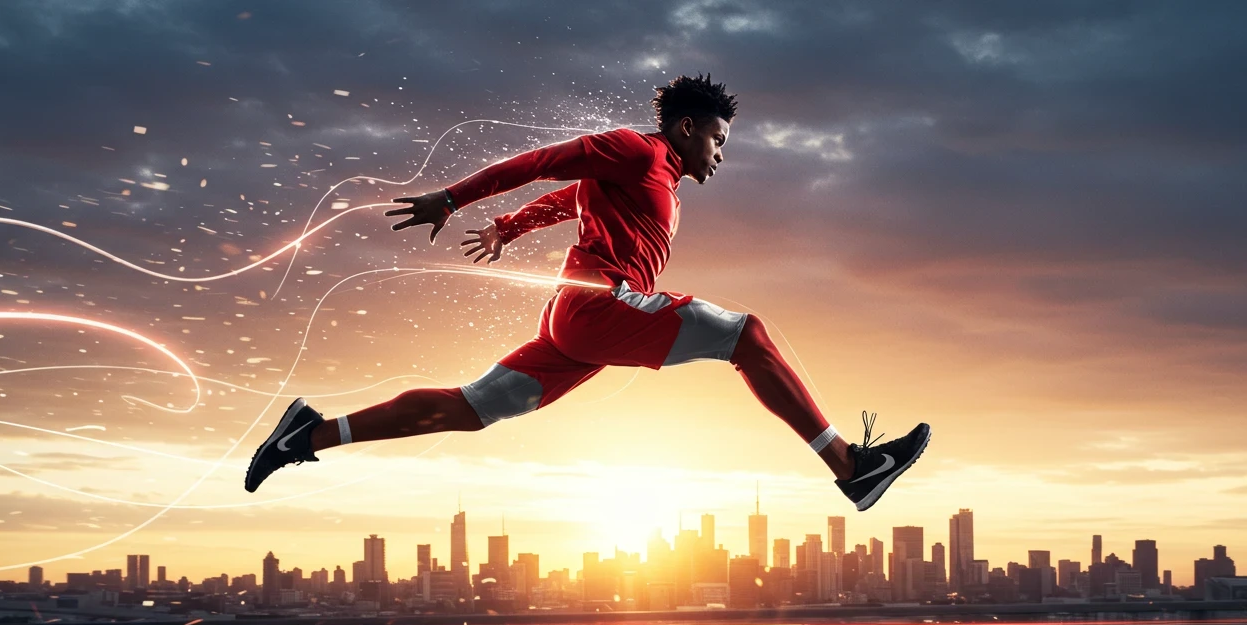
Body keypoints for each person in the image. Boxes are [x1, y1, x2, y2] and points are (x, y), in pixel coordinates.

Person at [245, 74, 930, 511]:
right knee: (745, 336)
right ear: (687, 129)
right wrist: (452, 198)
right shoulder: (638, 150)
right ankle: (851, 467)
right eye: (719, 140)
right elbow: (546, 162)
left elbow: (569, 197)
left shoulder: (655, 181)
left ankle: (308, 434)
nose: (722, 154)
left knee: (472, 408)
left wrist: (510, 227)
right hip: (597, 305)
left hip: (577, 326)